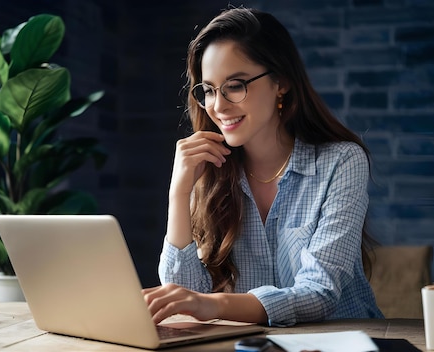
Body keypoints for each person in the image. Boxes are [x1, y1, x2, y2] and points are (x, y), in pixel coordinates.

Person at [142, 7, 384, 327]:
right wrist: (178, 192)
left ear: (280, 82)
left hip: (345, 343)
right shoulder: (211, 169)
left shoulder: (341, 162)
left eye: (235, 85)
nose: (218, 105)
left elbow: (319, 292)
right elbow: (185, 298)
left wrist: (215, 304)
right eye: (209, 90)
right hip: (251, 347)